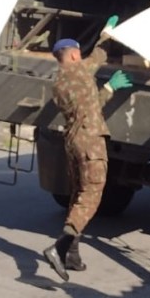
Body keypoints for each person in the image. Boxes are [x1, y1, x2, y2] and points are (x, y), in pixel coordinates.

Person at [41, 16, 132, 281]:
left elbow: (87, 107)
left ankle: (72, 254)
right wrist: (107, 34)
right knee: (92, 193)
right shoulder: (80, 70)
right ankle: (59, 248)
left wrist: (107, 89)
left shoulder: (58, 85)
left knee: (78, 194)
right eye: (78, 54)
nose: (81, 57)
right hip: (91, 140)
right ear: (71, 56)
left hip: (73, 140)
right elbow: (99, 55)